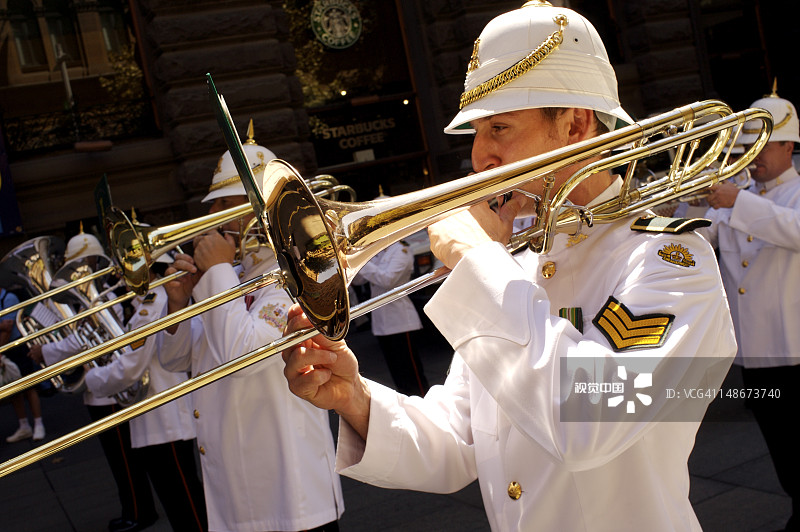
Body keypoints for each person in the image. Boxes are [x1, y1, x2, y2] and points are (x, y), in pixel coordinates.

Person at [282, 3, 736, 530]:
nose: (479, 156)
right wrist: (355, 398)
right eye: (477, 131)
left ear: (575, 124)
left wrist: (475, 258)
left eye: (499, 127)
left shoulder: (673, 263)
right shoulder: (513, 266)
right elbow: (460, 439)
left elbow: (591, 421)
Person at [158, 123, 344, 532]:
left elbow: (241, 358)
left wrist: (217, 270)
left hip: (291, 494)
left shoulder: (295, 279)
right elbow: (175, 360)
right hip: (235, 489)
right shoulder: (231, 276)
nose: (210, 218)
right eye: (213, 206)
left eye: (223, 205)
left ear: (260, 210)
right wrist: (176, 303)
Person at [702, 84, 800, 531]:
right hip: (755, 354)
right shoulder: (742, 196)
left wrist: (737, 201)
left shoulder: (793, 194)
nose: (752, 157)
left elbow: (791, 229)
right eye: (747, 147)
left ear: (787, 145)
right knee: (782, 447)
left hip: (795, 350)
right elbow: (708, 237)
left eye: (761, 147)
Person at [28, 228, 158, 532]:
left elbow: (81, 342)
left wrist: (44, 349)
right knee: (121, 459)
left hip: (109, 390)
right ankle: (135, 508)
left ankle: (138, 511)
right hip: (103, 386)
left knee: (123, 460)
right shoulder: (101, 295)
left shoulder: (101, 297)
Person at [84, 252, 208, 532]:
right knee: (177, 504)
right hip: (155, 419)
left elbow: (131, 368)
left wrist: (90, 379)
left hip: (166, 420)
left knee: (186, 504)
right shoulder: (145, 304)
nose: (119, 275)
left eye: (126, 268)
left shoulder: (153, 305)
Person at [351, 188, 429, 396]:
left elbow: (387, 280)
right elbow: (358, 280)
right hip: (382, 323)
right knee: (398, 378)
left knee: (413, 376)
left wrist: (364, 262)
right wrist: (353, 260)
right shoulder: (377, 250)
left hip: (401, 321)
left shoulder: (402, 249)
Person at [1, 286, 46, 442]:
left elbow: (9, 327)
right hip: (5, 348)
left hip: (17, 346)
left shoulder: (9, 298)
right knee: (14, 389)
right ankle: (24, 426)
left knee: (29, 386)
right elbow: (4, 326)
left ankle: (39, 423)